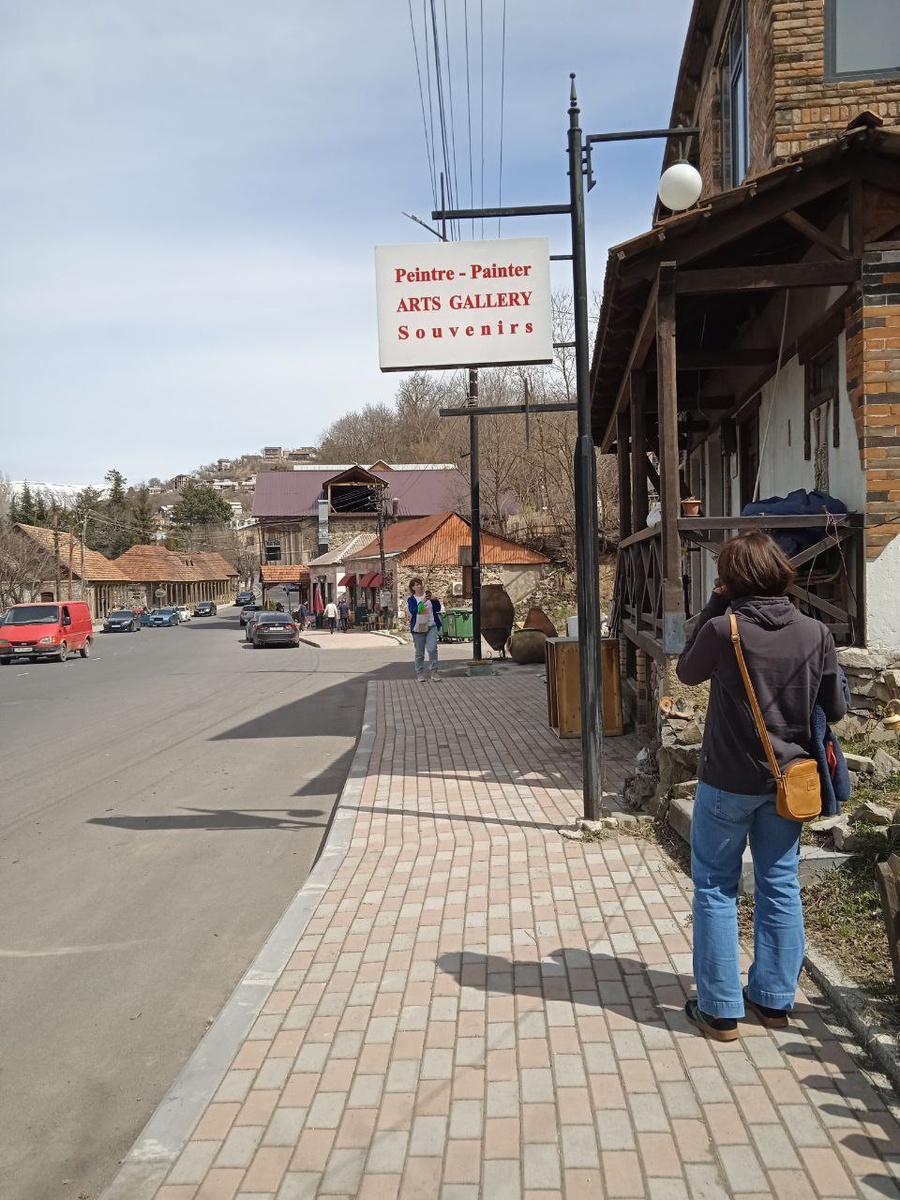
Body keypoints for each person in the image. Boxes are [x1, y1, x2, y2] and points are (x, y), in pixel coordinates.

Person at [676, 531, 846, 1041]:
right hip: (789, 783)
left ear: (731, 579)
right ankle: (774, 1002)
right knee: (779, 884)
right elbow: (836, 709)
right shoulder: (816, 633)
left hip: (727, 780)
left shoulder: (723, 630)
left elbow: (685, 671)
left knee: (714, 887)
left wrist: (715, 600)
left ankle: (721, 1010)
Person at [407, 577, 440, 682]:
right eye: (416, 585)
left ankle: (434, 672)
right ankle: (420, 673)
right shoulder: (412, 599)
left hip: (431, 625)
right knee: (420, 653)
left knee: (432, 649)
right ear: (412, 587)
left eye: (420, 584)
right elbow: (414, 611)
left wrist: (434, 600)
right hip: (419, 627)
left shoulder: (428, 596)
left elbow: (437, 609)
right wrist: (422, 602)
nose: (419, 586)